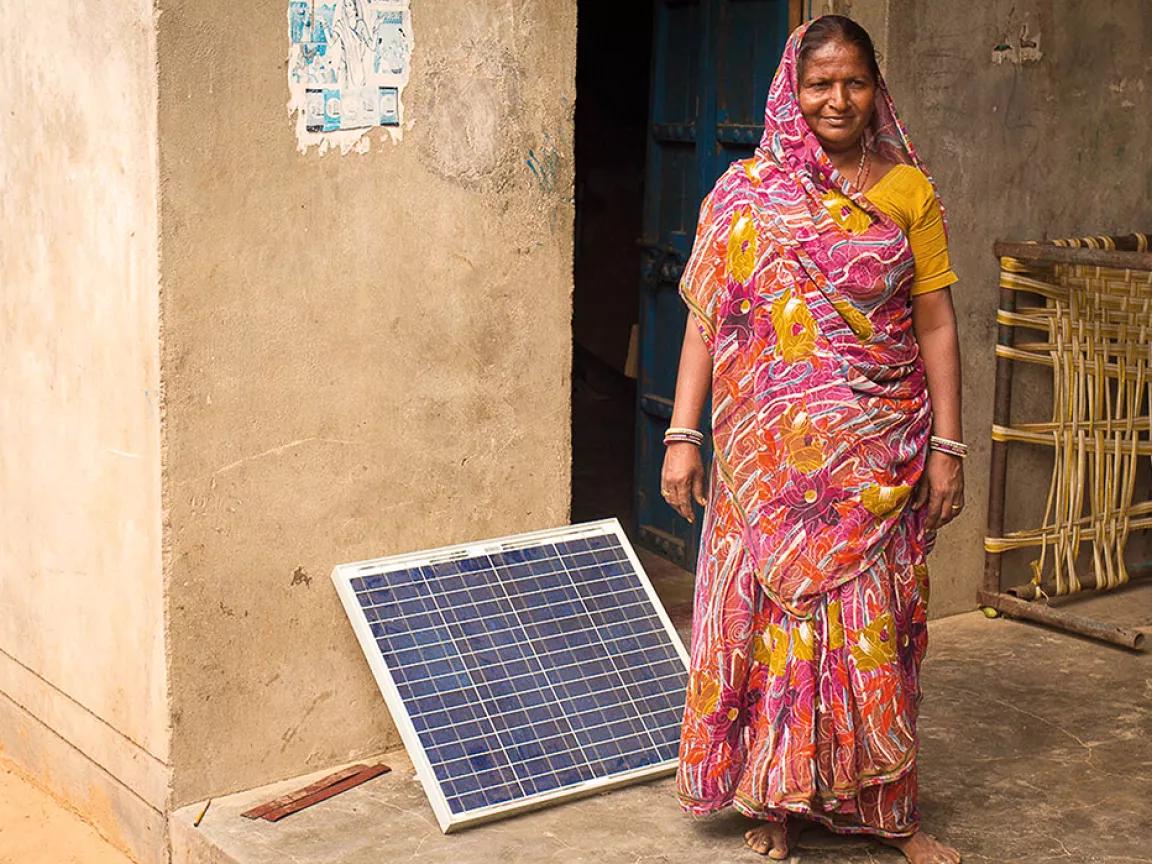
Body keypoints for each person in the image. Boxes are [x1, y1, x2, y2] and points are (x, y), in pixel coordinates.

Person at [662, 15, 964, 864]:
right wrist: (683, 435)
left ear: (877, 90)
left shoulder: (909, 193)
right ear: (792, 93)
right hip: (770, 472)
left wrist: (948, 447)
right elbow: (704, 323)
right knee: (771, 628)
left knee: (877, 634)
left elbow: (937, 323)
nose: (838, 100)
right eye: (820, 83)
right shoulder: (743, 193)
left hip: (879, 459)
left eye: (855, 82)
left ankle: (889, 814)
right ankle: (775, 798)